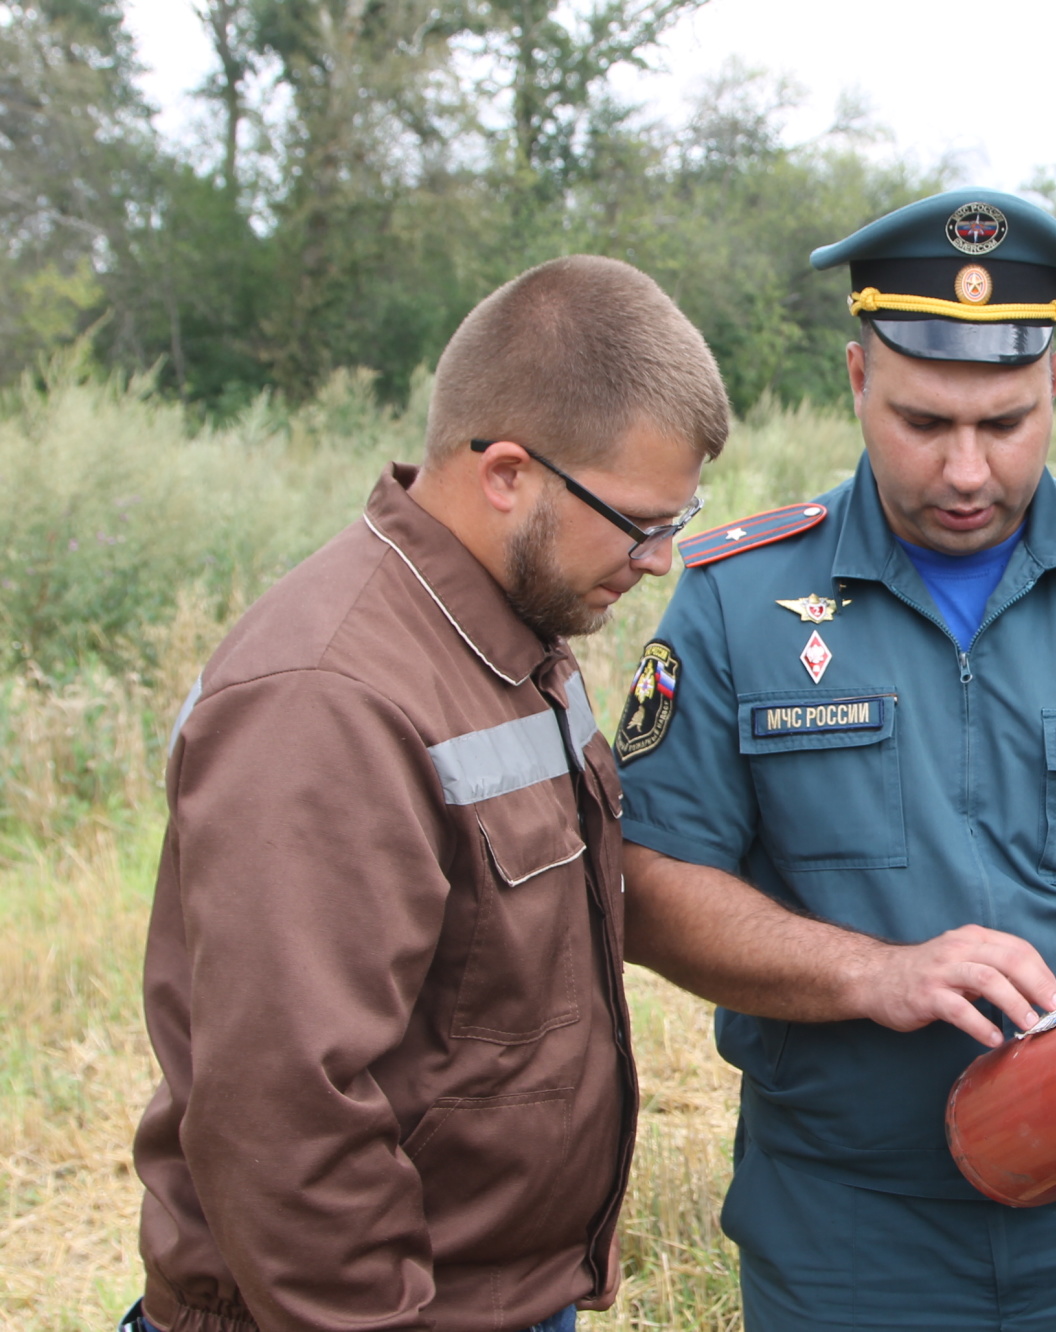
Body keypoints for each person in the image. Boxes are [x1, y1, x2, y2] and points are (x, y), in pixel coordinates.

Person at [614, 188, 1056, 1331]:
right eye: (921, 422)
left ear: (1054, 385)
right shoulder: (736, 603)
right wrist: (869, 973)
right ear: (856, 381)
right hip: (849, 1229)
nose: (963, 470)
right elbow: (648, 886)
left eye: (1001, 425)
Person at [127, 255, 731, 1332]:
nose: (659, 562)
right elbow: (284, 1113)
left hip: (496, 1297)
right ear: (506, 473)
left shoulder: (508, 635)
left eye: (679, 520)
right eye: (639, 522)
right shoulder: (327, 697)